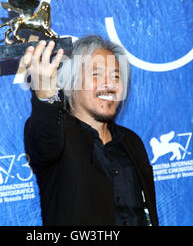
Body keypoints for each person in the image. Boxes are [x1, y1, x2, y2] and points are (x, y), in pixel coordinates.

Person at [21, 35, 158, 226]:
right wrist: (45, 93)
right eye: (96, 74)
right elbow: (45, 137)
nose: (109, 85)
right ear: (69, 84)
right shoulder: (58, 135)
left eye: (116, 77)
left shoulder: (131, 141)